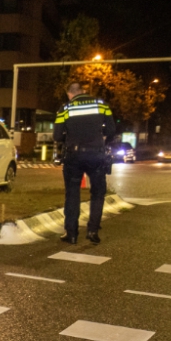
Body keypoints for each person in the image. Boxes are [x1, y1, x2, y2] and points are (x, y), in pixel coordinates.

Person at [53, 82, 116, 245]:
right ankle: (93, 230)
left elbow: (57, 135)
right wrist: (102, 140)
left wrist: (69, 135)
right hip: (96, 155)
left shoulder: (65, 108)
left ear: (70, 94)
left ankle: (71, 234)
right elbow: (111, 130)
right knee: (98, 193)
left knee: (72, 193)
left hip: (74, 156)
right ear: (83, 91)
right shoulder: (101, 105)